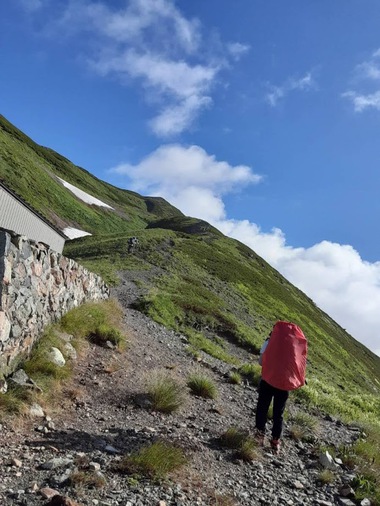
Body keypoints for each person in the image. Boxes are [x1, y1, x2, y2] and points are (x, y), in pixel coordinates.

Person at [255, 321, 307, 454]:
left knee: (262, 408)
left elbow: (261, 362)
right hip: (284, 385)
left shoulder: (269, 342)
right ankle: (275, 441)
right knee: (279, 413)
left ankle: (259, 436)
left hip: (268, 380)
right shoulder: (293, 348)